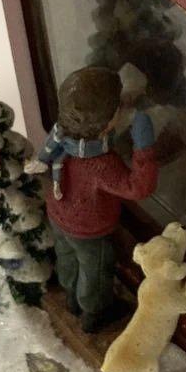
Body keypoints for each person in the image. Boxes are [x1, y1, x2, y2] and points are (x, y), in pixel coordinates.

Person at [28, 66, 158, 332]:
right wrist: (144, 148)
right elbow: (138, 188)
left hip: (58, 215)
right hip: (88, 231)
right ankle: (95, 312)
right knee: (95, 270)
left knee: (67, 257)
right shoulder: (101, 163)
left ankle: (72, 298)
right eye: (117, 107)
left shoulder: (62, 135)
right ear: (108, 122)